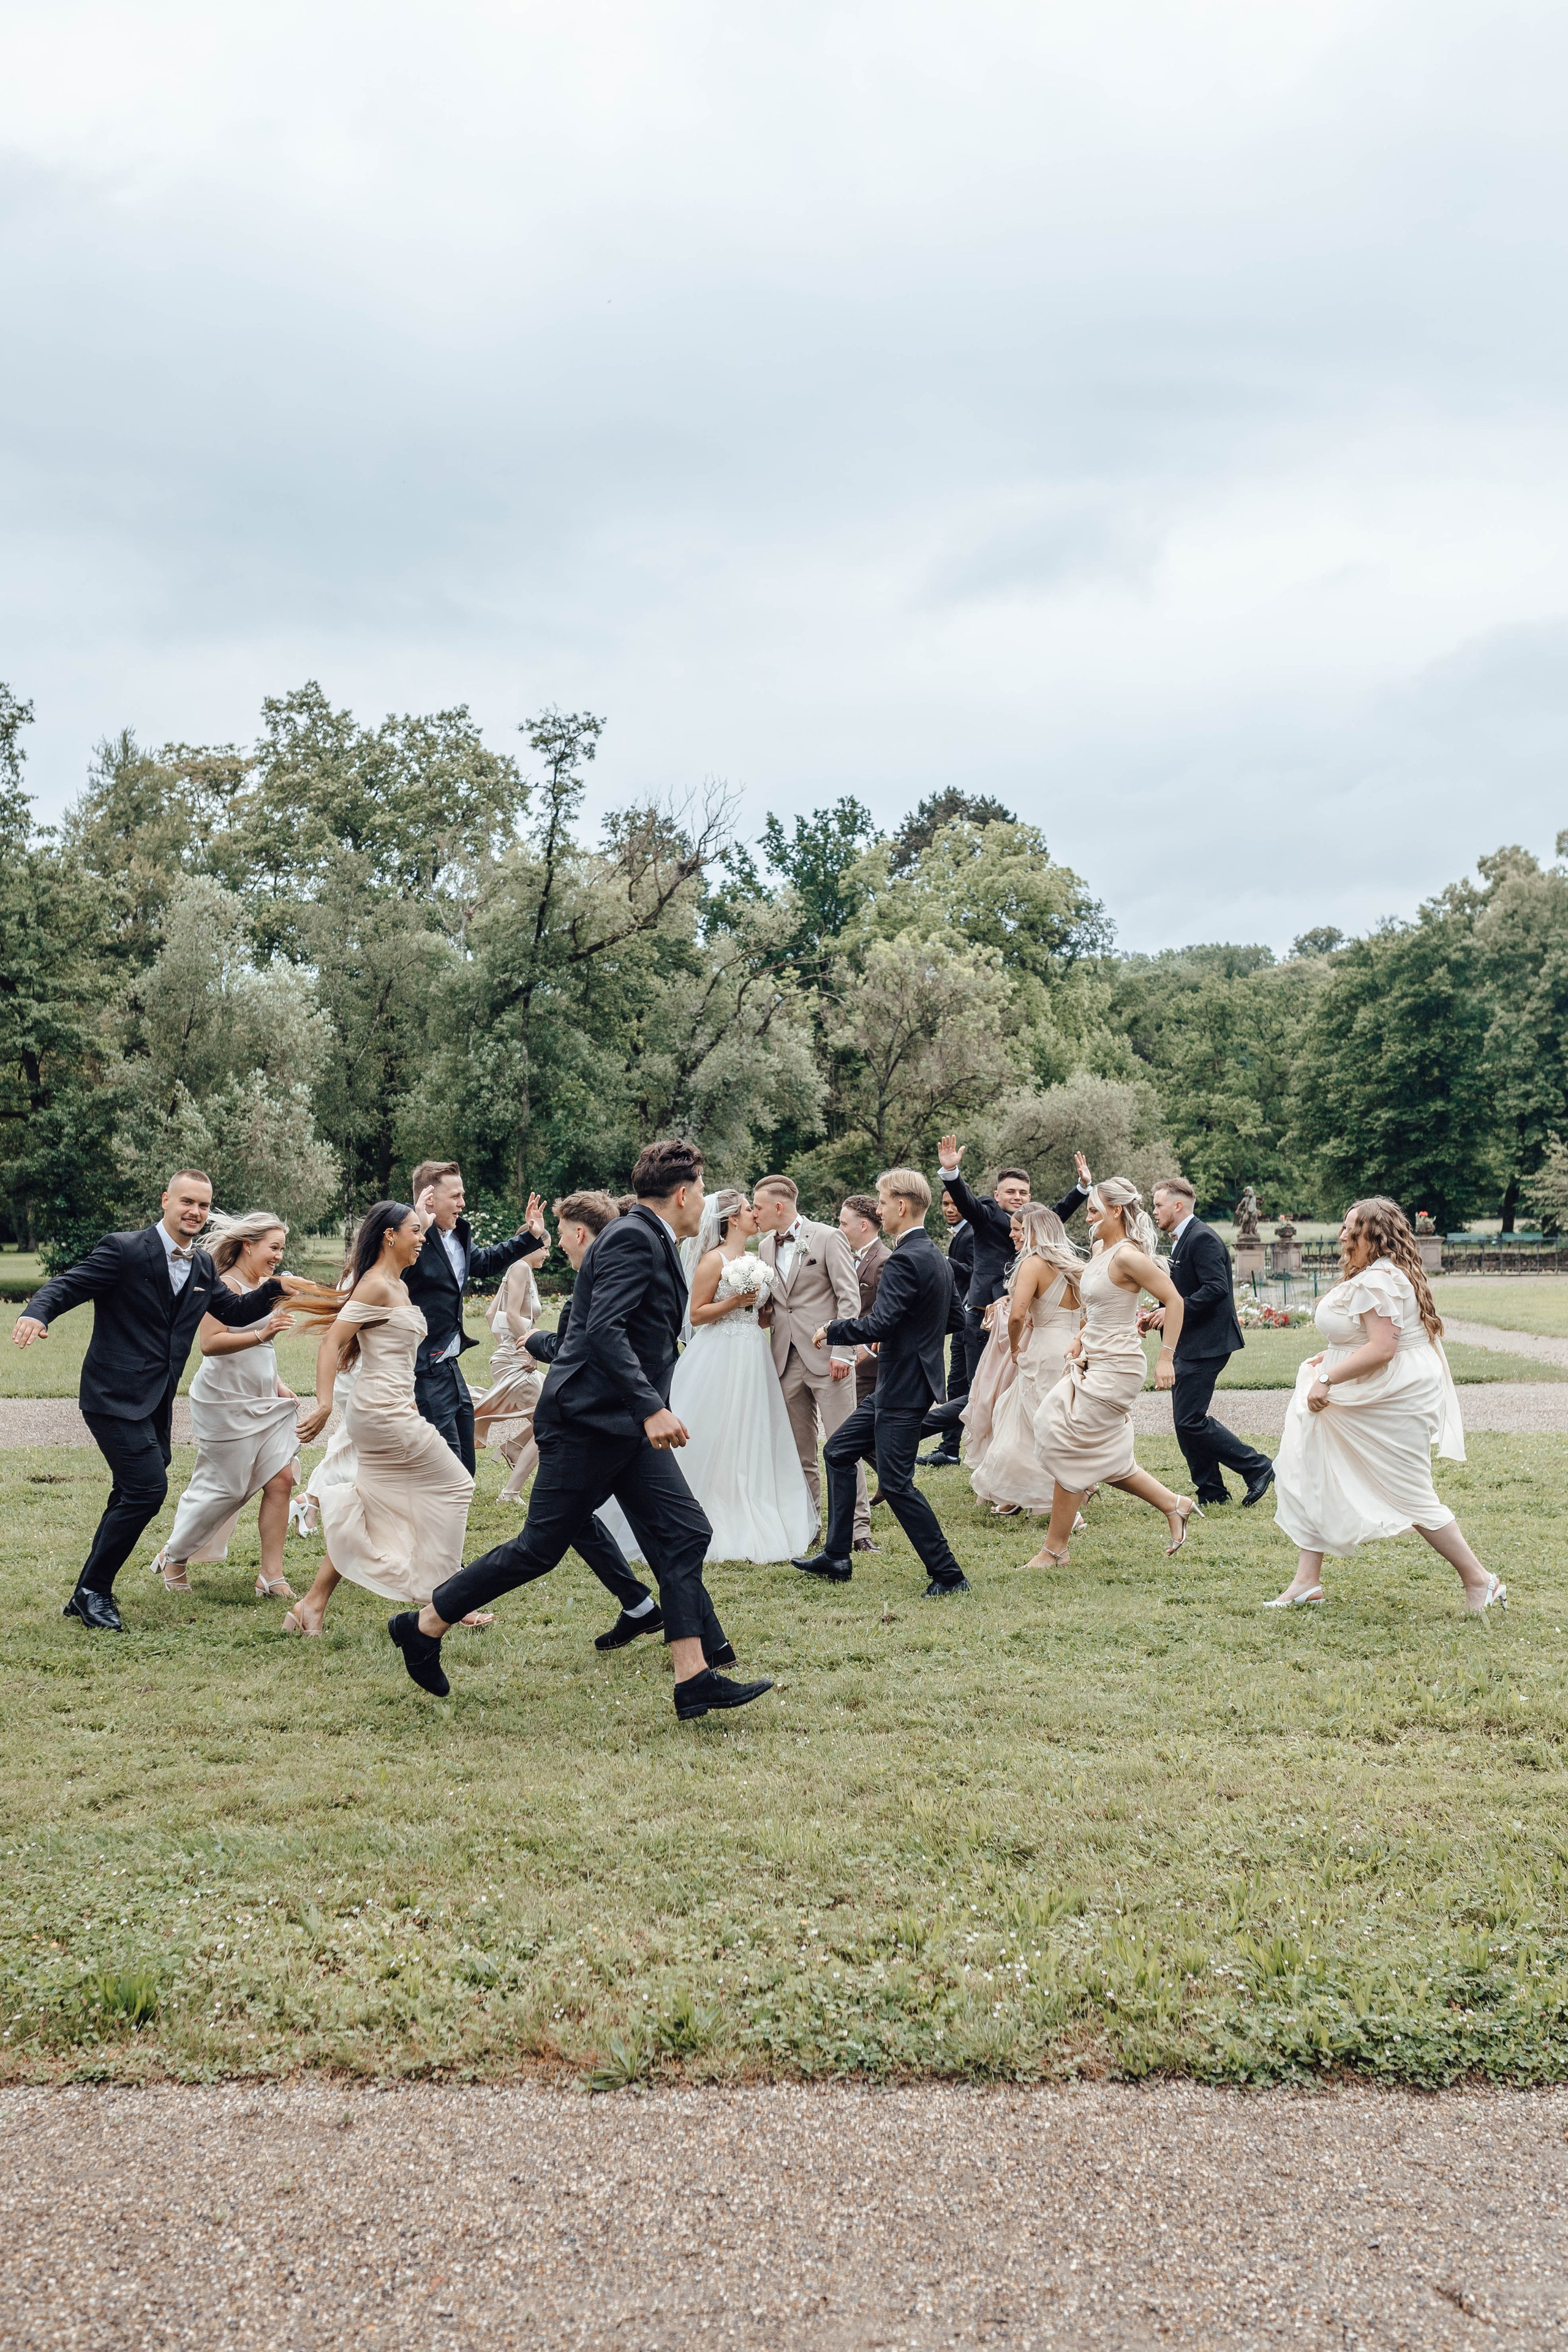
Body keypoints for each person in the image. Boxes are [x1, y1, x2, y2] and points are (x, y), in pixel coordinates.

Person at [388, 1139, 774, 1722]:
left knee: (686, 1532)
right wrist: (651, 1408)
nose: (705, 1203)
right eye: (702, 1190)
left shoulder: (650, 1237)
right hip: (588, 1423)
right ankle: (422, 1627)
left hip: (620, 1425)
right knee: (538, 1550)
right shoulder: (632, 1238)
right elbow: (603, 1333)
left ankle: (694, 1678)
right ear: (685, 1192)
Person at [11, 1170, 295, 1630]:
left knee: (131, 1489)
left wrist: (275, 1289)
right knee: (146, 1489)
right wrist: (36, 1313)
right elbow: (70, 1284)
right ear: (166, 1200)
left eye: (203, 1205)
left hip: (155, 1400)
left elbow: (235, 1312)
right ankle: (94, 1592)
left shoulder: (202, 1266)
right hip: (110, 1394)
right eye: (187, 1201)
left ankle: (85, 1591)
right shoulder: (124, 1250)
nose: (195, 1212)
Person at [1267, 1196, 1504, 1613]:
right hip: (1370, 1389)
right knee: (1315, 1468)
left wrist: (1327, 1377)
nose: (1342, 1235)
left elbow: (1383, 1349)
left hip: (1391, 1395)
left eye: (1349, 1228)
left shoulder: (1380, 1279)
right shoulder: (1378, 1275)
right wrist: (1334, 1356)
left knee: (1410, 1492)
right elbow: (1371, 1337)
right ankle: (1307, 1581)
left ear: (1372, 1235)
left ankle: (1480, 1580)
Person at [278, 1202, 477, 1635]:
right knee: (456, 1484)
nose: (422, 1238)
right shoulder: (376, 1286)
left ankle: (311, 1606)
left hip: (394, 1407)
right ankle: (444, 1598)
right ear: (390, 1236)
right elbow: (332, 1344)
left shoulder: (397, 1285)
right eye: (414, 1231)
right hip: (383, 1411)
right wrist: (326, 1404)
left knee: (372, 1503)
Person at [600, 1188, 814, 1565]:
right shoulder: (713, 1261)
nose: (755, 1214)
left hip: (753, 1351)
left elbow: (759, 1314)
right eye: (749, 1209)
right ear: (733, 1218)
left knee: (750, 1427)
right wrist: (736, 1301)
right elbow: (696, 1315)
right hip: (719, 1352)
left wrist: (761, 1314)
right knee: (713, 1425)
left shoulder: (753, 1257)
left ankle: (745, 1496)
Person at [792, 1167, 968, 1597]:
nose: (880, 1209)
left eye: (884, 1202)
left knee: (896, 1483)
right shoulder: (934, 1256)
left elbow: (884, 1322)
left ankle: (949, 1575)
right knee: (837, 1451)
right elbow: (954, 1319)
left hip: (902, 1387)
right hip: (903, 1383)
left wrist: (833, 1329)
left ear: (902, 1206)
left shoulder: (906, 1258)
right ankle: (837, 1555)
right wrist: (916, 1342)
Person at [522, 1191, 685, 1650]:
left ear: (579, 1233)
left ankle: (427, 1621)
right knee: (668, 1533)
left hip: (604, 1425)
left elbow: (588, 1347)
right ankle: (647, 1611)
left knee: (545, 1541)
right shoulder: (623, 1263)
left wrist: (534, 1340)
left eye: (561, 1236)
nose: (560, 1247)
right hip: (620, 1421)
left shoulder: (593, 1286)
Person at [1028, 1177, 1198, 1566]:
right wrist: (1081, 1338)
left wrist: (1166, 1358)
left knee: (1071, 1443)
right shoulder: (1100, 1247)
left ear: (1116, 1210)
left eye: (1093, 1211)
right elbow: (1094, 1303)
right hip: (1092, 1357)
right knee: (1075, 1439)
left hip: (1119, 1366)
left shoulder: (1128, 1256)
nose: (1088, 1218)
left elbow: (1174, 1300)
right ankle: (1175, 1505)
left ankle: (1054, 1550)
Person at [148, 1210, 302, 1599]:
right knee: (225, 1489)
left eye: (282, 1248)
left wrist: (278, 1384)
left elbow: (263, 1350)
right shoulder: (219, 1284)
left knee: (281, 1479)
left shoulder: (268, 1285)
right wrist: (263, 1331)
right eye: (274, 1247)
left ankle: (271, 1575)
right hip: (224, 1400)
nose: (279, 1256)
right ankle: (176, 1556)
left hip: (263, 1397)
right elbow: (211, 1344)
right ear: (248, 1246)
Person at [402, 1159, 549, 1473]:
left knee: (466, 1455)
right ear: (429, 1198)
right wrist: (418, 1227)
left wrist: (530, 1237)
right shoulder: (404, 1237)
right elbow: (388, 1272)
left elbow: (484, 1262)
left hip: (450, 1361)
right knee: (447, 1462)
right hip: (421, 1362)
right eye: (455, 1196)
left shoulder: (458, 1234)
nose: (462, 1203)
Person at [1146, 1177, 1274, 1510]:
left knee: (1189, 1420)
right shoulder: (1181, 1239)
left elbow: (1216, 1289)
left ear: (1178, 1206)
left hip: (1208, 1342)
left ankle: (1258, 1467)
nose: (1154, 1210)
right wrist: (1159, 1313)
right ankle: (1212, 1491)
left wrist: (1175, 1310)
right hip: (1191, 1341)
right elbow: (1183, 1291)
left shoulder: (1202, 1238)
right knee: (1185, 1422)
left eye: (1159, 1204)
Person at [935, 1134, 1092, 1398]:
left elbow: (1059, 1212)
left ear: (1030, 1196)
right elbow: (966, 1202)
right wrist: (951, 1172)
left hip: (1018, 1319)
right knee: (971, 1387)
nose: (1017, 1197)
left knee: (1008, 1388)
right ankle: (951, 1441)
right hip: (982, 1316)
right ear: (997, 1196)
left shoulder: (1037, 1222)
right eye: (1010, 1192)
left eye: (1022, 1193)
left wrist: (1082, 1188)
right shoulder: (986, 1215)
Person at [752, 1175, 862, 1540]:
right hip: (784, 1358)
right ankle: (809, 1524)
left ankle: (858, 1528)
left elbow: (849, 1299)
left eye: (759, 1206)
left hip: (828, 1356)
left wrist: (844, 1353)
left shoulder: (828, 1237)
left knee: (843, 1444)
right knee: (800, 1448)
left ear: (779, 1207)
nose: (755, 1213)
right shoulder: (765, 1247)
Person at [970, 1205, 1085, 1518]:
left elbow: (1019, 1315)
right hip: (1072, 1349)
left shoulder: (1033, 1265)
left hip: (1044, 1350)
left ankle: (1059, 1502)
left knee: (1036, 1424)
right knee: (1051, 1421)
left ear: (1035, 1232)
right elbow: (1090, 1313)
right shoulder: (1076, 1266)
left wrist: (1017, 1347)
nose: (1011, 1235)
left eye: (1018, 1230)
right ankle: (1021, 1492)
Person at [470, 1252, 547, 1502]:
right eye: (544, 1247)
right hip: (520, 1361)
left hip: (511, 1357)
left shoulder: (520, 1270)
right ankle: (510, 1492)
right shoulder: (521, 1268)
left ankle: (514, 1447)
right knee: (550, 1423)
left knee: (554, 1407)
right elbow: (511, 1315)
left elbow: (491, 1315)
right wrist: (528, 1350)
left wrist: (506, 1347)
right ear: (531, 1247)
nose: (548, 1253)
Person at [839, 1193, 886, 1548]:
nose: (839, 1228)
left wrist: (865, 1353)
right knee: (858, 1428)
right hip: (851, 1354)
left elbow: (884, 1317)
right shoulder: (848, 1258)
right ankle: (888, 1473)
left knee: (853, 1430)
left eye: (843, 1222)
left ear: (864, 1225)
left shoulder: (883, 1261)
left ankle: (890, 1473)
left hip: (869, 1361)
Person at [918, 1191, 975, 1468]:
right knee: (956, 1383)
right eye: (945, 1204)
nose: (950, 1209)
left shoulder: (972, 1233)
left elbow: (976, 1271)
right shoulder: (960, 1233)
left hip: (972, 1317)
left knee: (970, 1386)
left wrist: (943, 1261)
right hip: (960, 1320)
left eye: (954, 1204)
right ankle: (949, 1449)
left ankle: (959, 1447)